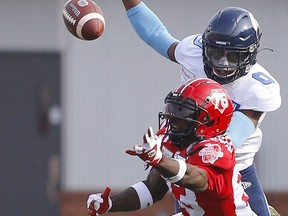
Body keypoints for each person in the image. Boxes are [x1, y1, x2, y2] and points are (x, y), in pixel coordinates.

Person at [120, 1, 282, 215]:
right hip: (187, 158)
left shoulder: (258, 88)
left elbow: (225, 143)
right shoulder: (192, 52)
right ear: (205, 47)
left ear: (249, 55)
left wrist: (167, 157)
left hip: (233, 169)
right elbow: (156, 34)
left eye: (233, 56)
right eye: (216, 53)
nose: (222, 63)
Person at [87, 78, 255, 216]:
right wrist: (110, 204)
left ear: (208, 120)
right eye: (173, 111)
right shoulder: (172, 141)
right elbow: (153, 189)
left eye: (182, 115)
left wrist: (159, 160)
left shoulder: (217, 149)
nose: (173, 121)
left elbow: (196, 178)